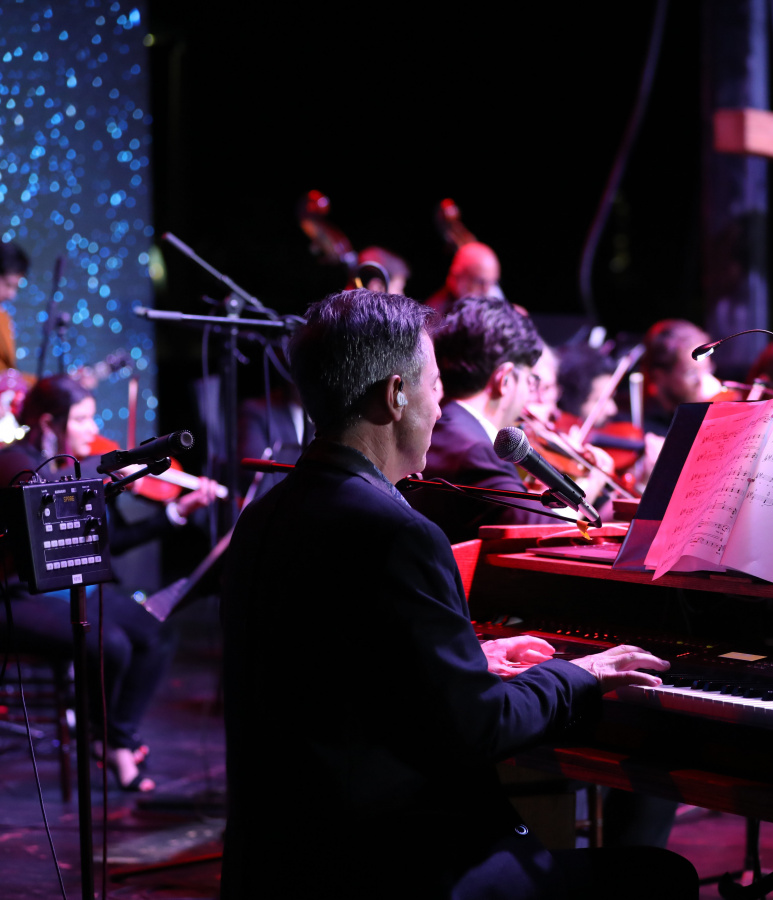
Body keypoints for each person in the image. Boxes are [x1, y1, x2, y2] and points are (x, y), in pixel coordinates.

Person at [220, 288, 695, 899]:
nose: (442, 406)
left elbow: (342, 672)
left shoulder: (263, 518)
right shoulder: (399, 534)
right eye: (436, 386)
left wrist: (473, 658)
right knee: (663, 878)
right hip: (392, 868)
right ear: (396, 395)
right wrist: (581, 673)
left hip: (281, 863)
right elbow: (478, 728)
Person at [0, 376, 218, 791]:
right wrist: (94, 480)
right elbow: (39, 519)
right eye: (82, 419)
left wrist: (176, 513)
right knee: (111, 644)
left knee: (156, 632)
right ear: (48, 423)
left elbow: (108, 542)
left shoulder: (72, 465)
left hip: (66, 586)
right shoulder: (16, 461)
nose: (94, 428)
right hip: (17, 593)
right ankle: (105, 739)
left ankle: (115, 737)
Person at [408, 295, 559, 544]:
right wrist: (589, 491)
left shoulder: (436, 429)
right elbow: (547, 531)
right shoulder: (477, 451)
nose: (528, 395)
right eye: (529, 380)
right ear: (504, 379)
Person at [641, 319, 720, 438]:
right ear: (660, 376)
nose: (706, 382)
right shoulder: (644, 426)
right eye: (692, 373)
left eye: (707, 369)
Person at [426, 241, 503, 315]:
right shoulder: (434, 315)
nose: (487, 290)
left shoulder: (492, 301)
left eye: (493, 283)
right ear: (457, 277)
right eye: (480, 282)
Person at [0, 242, 28, 371]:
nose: (12, 295)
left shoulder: (4, 318)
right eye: (8, 285)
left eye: (15, 287)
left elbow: (9, 374)